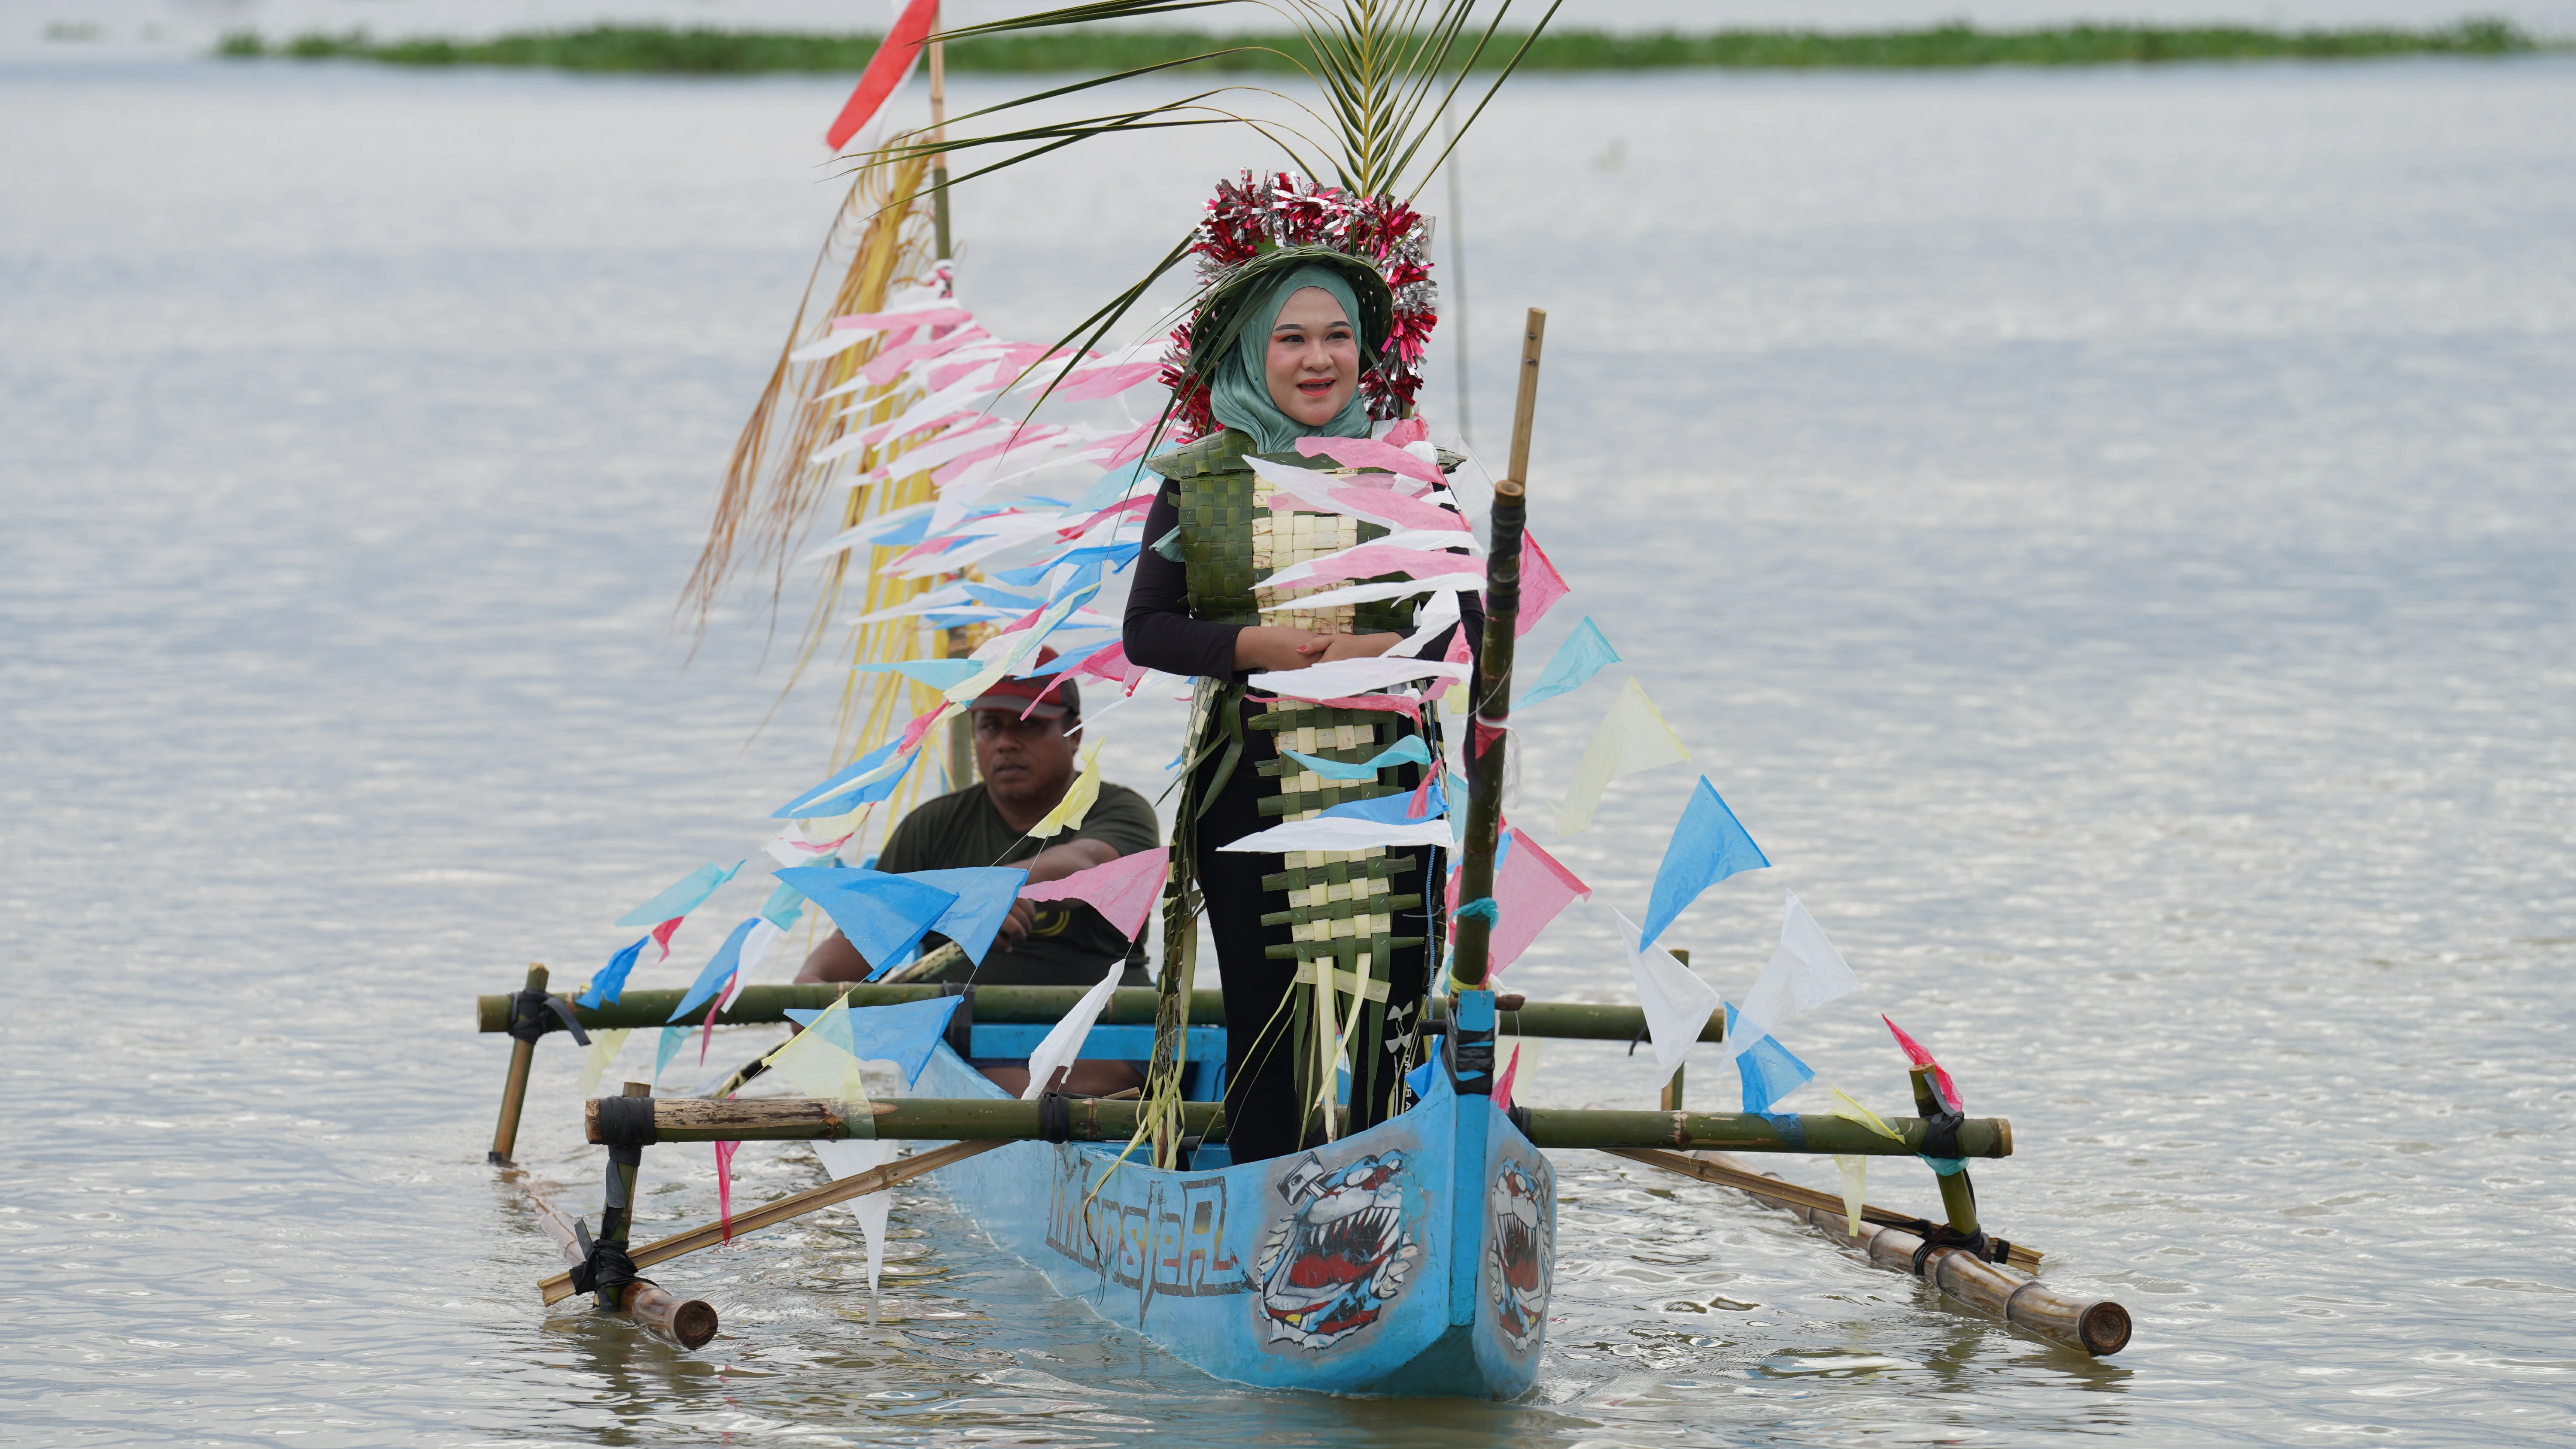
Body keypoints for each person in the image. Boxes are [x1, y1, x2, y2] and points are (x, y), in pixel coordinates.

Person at [1124, 249, 1482, 1165]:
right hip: (1252, 790)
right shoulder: (1200, 478)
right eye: (1291, 338)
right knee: (1269, 1021)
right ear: (1251, 351)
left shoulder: (1410, 476)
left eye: (1337, 337)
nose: (1317, 358)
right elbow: (1151, 630)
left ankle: (1382, 1203)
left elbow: (1473, 626)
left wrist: (1373, 655)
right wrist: (1262, 648)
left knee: (1388, 1020)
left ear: (1364, 354)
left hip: (1391, 792)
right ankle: (1267, 1218)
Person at [794, 661, 1159, 992]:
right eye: (990, 727)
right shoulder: (932, 827)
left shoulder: (1121, 809)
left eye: (1029, 725)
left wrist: (987, 890)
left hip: (1106, 1029)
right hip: (966, 1032)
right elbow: (856, 945)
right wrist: (810, 987)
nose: (1006, 744)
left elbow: (1085, 865)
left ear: (1074, 734)